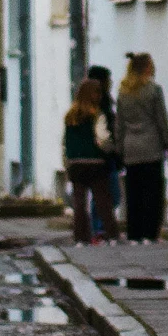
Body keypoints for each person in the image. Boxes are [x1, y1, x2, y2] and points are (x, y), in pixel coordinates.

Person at [114, 52, 168, 244]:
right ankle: (150, 234)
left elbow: (119, 125)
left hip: (131, 148)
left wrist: (119, 149)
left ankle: (134, 234)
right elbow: (161, 120)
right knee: (152, 192)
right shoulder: (153, 90)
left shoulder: (123, 93)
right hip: (151, 147)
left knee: (133, 193)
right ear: (147, 68)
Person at [63, 70, 119, 244]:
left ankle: (81, 238)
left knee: (79, 204)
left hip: (76, 163)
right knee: (103, 201)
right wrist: (111, 149)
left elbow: (64, 143)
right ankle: (111, 235)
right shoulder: (97, 114)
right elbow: (102, 138)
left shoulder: (70, 116)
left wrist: (67, 163)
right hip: (95, 162)